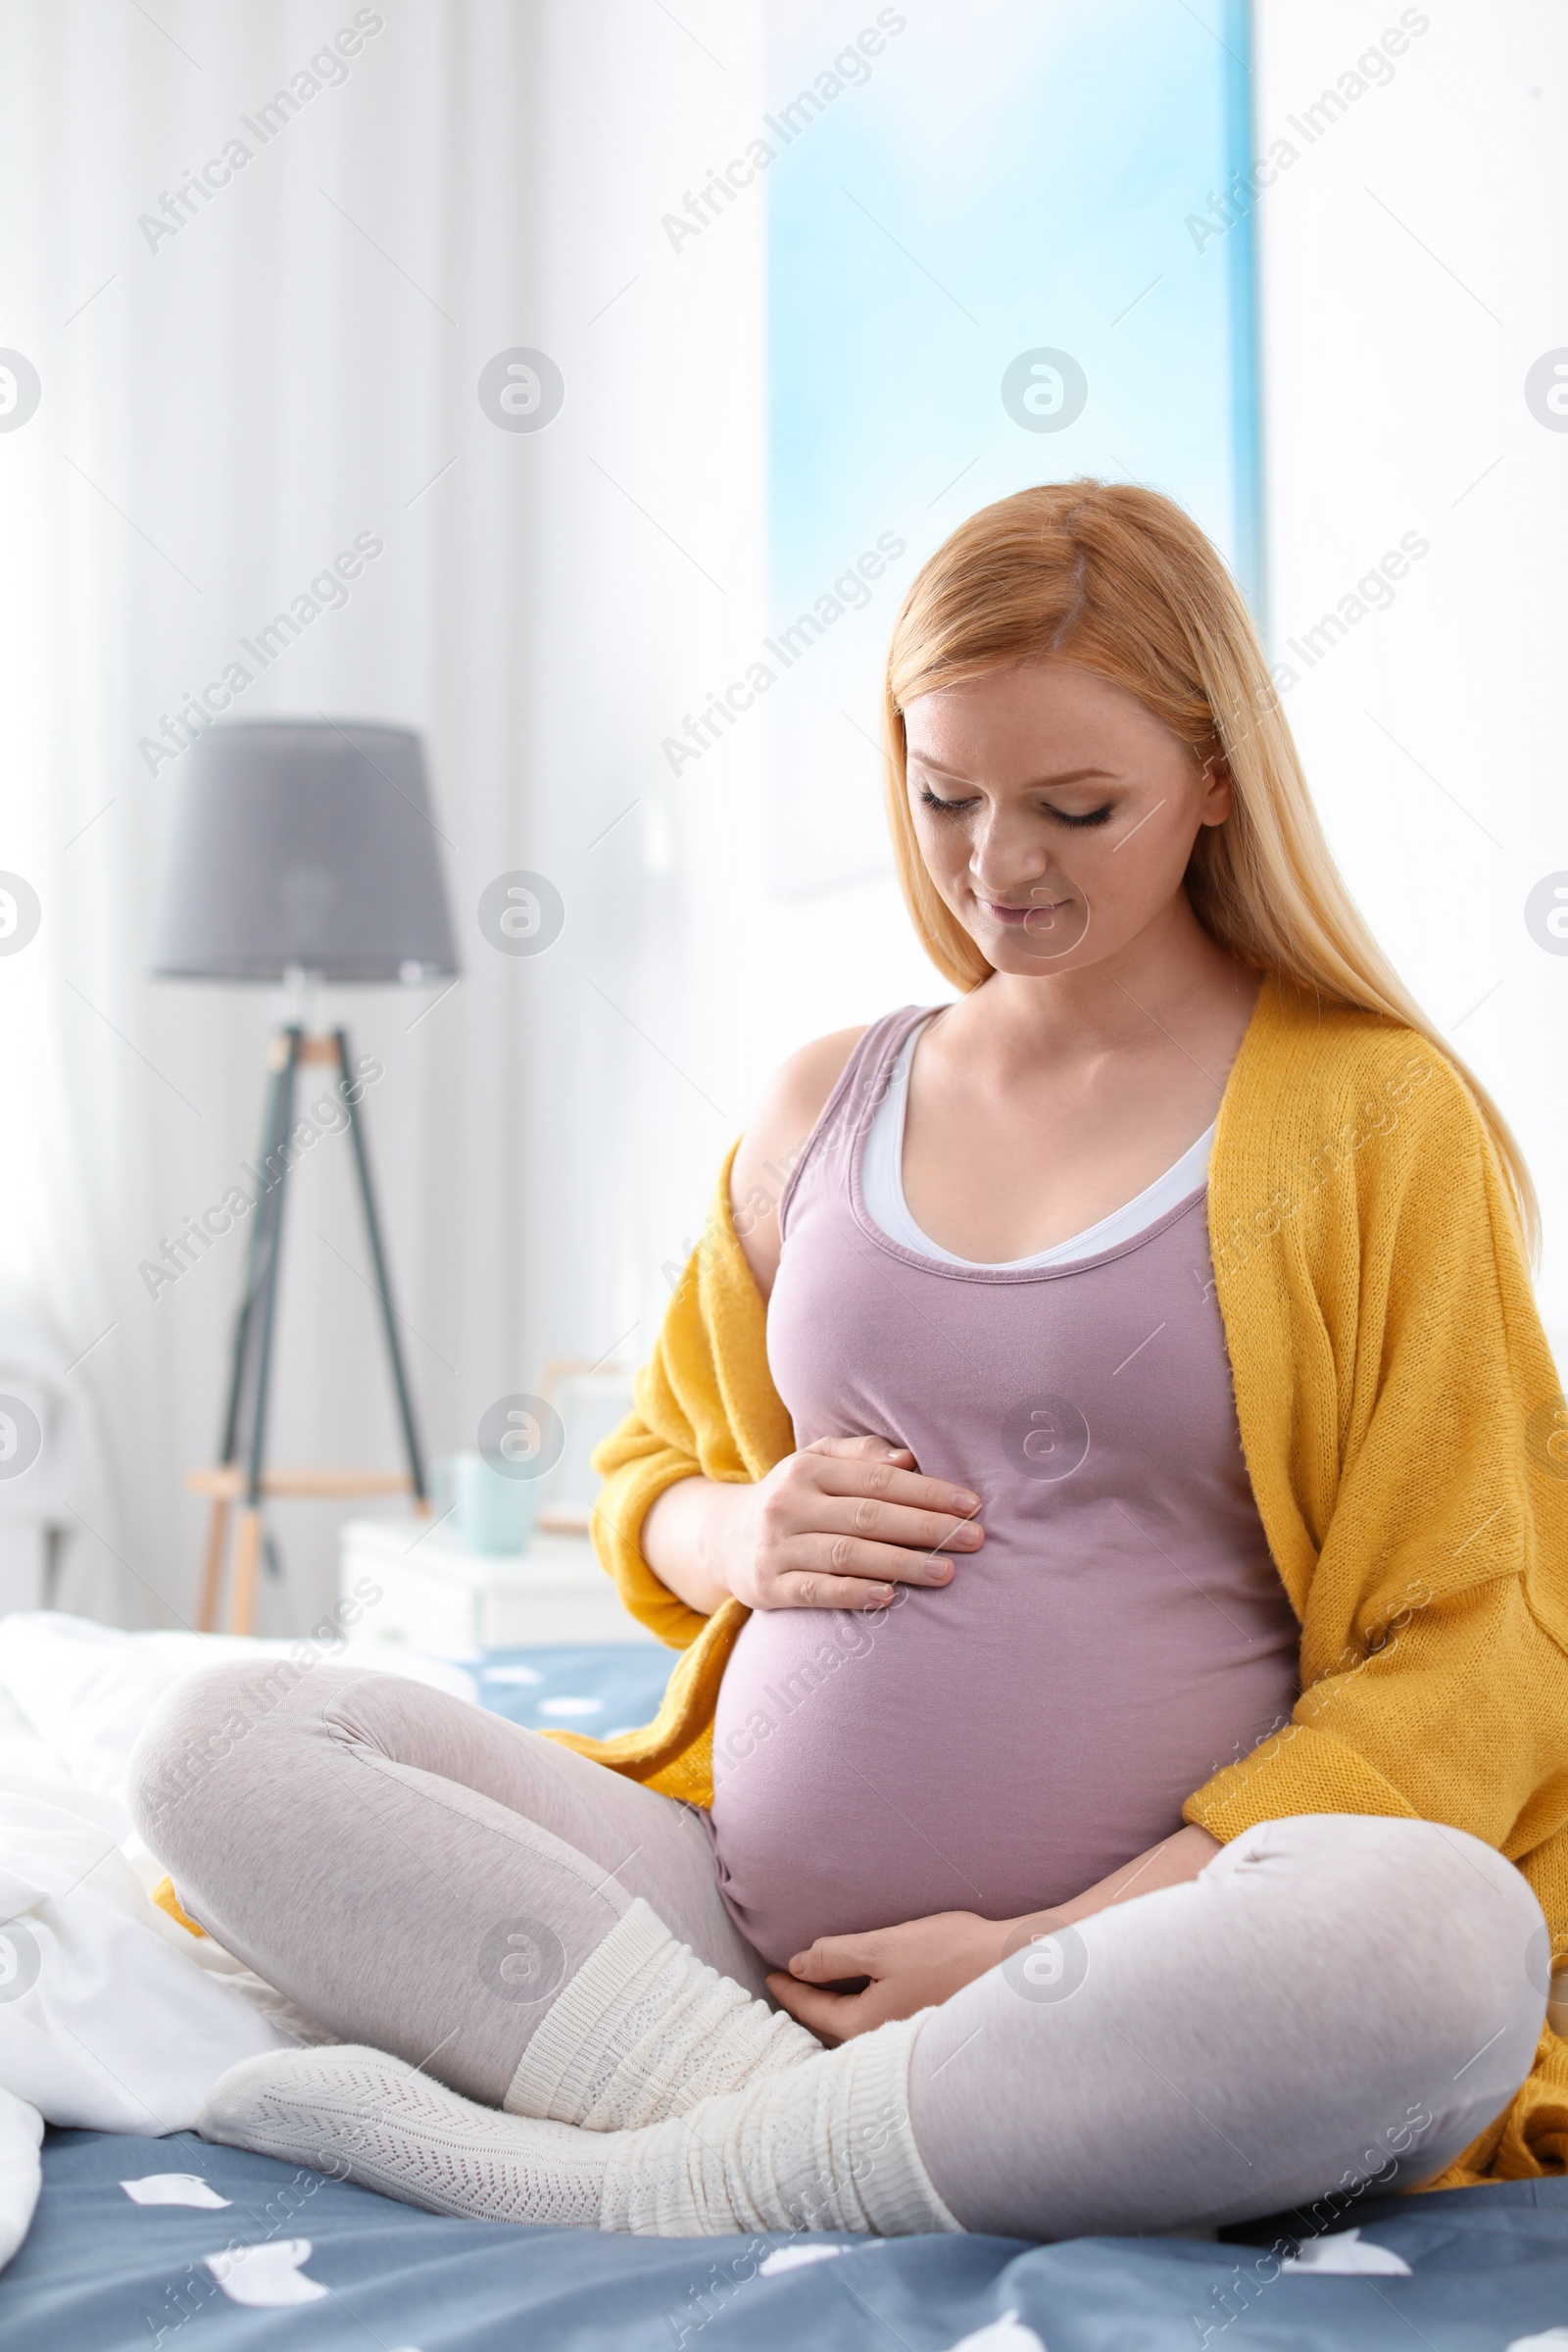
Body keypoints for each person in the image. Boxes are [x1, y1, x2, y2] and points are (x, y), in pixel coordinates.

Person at [131, 481, 1568, 2243]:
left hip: (1141, 1978)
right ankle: (751, 2131)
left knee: (1450, 1939)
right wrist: (733, 1536)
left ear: (1215, 780)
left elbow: (1477, 1642)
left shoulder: (1370, 1122)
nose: (997, 867)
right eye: (945, 793)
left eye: (1078, 807)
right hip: (737, 1937)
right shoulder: (826, 1104)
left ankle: (686, 2155)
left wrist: (1039, 1962)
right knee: (217, 1745)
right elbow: (651, 1474)